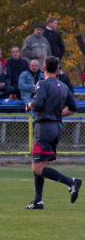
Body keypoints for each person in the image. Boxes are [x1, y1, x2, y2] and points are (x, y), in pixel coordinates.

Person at [24, 56, 80, 209]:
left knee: (38, 168)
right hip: (56, 127)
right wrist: (57, 114)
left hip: (44, 128)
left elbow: (37, 103)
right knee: (38, 163)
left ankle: (71, 182)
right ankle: (38, 201)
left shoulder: (42, 83)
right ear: (57, 69)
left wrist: (29, 105)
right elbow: (73, 107)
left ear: (43, 68)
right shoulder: (63, 86)